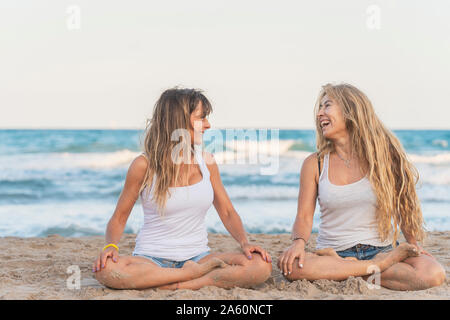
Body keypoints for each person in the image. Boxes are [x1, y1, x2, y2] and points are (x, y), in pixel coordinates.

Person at [93, 88, 272, 290]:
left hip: (199, 258)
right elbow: (119, 216)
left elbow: (227, 211)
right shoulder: (144, 165)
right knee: (105, 269)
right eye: (201, 118)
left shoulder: (206, 162)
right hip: (151, 260)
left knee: (260, 265)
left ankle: (173, 283)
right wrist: (110, 246)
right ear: (179, 120)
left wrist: (245, 242)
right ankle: (188, 277)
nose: (208, 125)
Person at [278, 83, 446, 290]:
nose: (320, 113)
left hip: (381, 250)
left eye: (327, 106)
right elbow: (304, 216)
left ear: (350, 111)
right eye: (320, 108)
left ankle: (350, 269)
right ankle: (374, 268)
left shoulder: (385, 158)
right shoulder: (315, 163)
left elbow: (403, 206)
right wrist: (298, 243)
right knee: (292, 267)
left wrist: (414, 244)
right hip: (335, 253)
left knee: (433, 273)